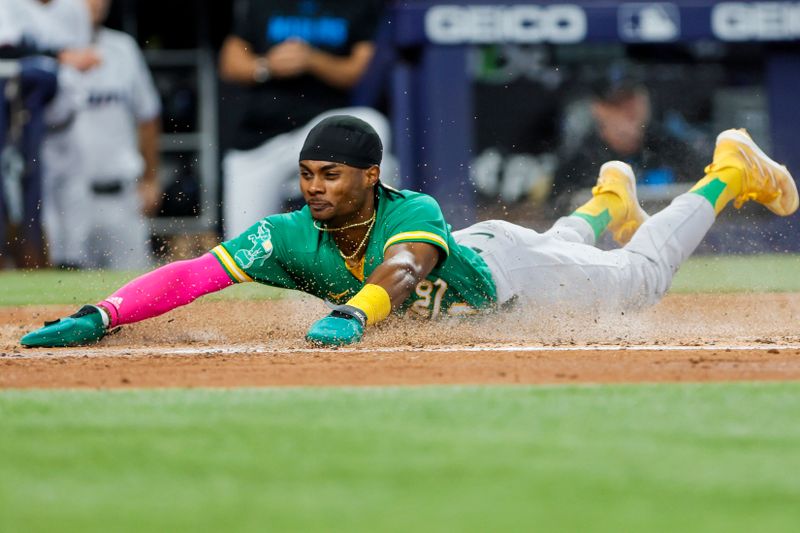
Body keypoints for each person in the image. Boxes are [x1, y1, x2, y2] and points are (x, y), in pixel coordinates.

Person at [19, 115, 799, 348]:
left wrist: (358, 312)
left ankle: (728, 169)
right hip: (502, 255)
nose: (314, 187)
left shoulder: (412, 211)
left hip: (515, 278)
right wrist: (107, 311)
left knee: (639, 281)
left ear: (369, 176)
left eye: (330, 175)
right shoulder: (289, 234)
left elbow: (402, 269)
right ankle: (603, 203)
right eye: (306, 174)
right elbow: (196, 276)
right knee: (571, 241)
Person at [218, 0, 391, 239]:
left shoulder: (356, 6)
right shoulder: (262, 4)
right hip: (259, 139)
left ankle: (367, 241)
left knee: (370, 125)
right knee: (245, 248)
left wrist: (311, 59)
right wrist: (267, 66)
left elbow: (359, 71)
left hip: (320, 133)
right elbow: (230, 62)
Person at [41, 0, 161, 270]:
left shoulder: (123, 49)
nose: (94, 4)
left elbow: (149, 116)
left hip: (120, 193)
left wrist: (151, 178)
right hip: (64, 199)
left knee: (134, 291)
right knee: (63, 289)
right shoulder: (44, 50)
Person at [551, 65, 705, 212]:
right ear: (598, 109)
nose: (629, 109)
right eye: (617, 102)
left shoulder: (672, 148)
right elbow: (555, 215)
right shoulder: (578, 164)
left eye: (633, 98)